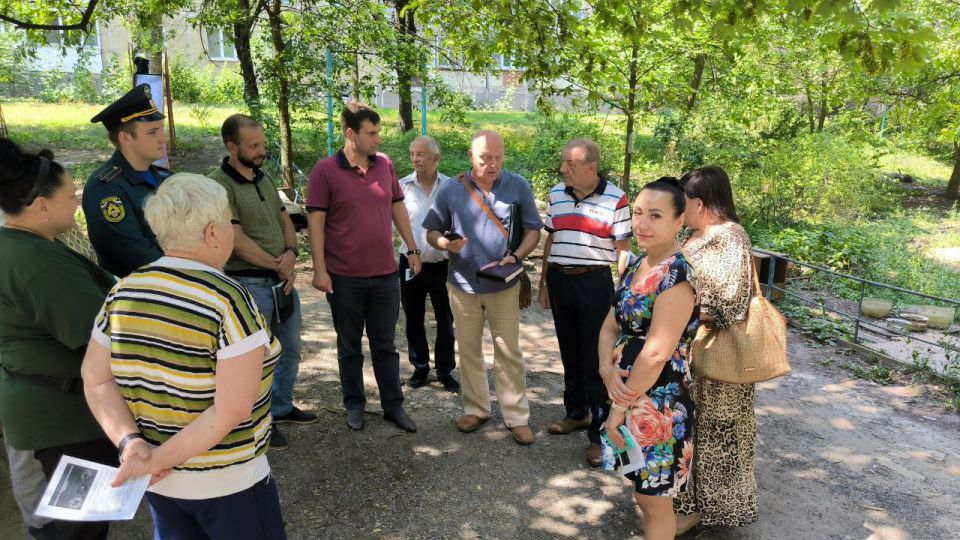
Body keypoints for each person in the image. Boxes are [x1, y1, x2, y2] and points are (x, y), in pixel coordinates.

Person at [81, 173, 286, 539]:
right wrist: (156, 461)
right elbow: (232, 410)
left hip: (161, 484)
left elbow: (95, 379)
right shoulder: (227, 298)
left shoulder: (123, 291)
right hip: (228, 482)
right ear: (212, 233)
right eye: (229, 222)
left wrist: (132, 445)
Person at [0, 139, 118, 540]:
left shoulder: (22, 246)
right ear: (42, 206)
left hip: (49, 412)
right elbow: (100, 338)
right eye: (71, 196)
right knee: (79, 528)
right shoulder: (38, 263)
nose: (77, 203)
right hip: (64, 423)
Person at [422, 130, 543, 446]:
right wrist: (445, 243)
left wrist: (517, 255)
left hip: (504, 285)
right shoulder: (451, 188)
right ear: (470, 157)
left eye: (498, 158)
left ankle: (516, 416)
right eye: (485, 158)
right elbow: (431, 231)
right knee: (469, 350)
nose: (492, 165)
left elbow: (534, 230)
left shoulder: (518, 185)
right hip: (463, 286)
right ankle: (476, 409)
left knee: (508, 351)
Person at [306, 102, 420, 433]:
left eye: (378, 132)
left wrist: (412, 248)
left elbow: (397, 207)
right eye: (371, 133)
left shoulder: (384, 164)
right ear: (350, 134)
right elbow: (316, 222)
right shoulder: (325, 171)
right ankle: (354, 405)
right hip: (344, 277)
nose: (378, 139)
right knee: (349, 346)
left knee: (385, 346)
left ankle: (393, 406)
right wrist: (319, 269)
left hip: (385, 274)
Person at [208, 113, 317, 451]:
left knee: (290, 348)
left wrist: (291, 254)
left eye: (262, 144)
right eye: (253, 146)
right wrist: (277, 264)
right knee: (256, 359)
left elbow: (286, 220)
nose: (261, 151)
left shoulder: (263, 177)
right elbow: (236, 240)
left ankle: (280, 408)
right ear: (231, 146)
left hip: (281, 281)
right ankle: (259, 423)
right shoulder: (219, 185)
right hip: (250, 284)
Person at [598, 177, 699, 540]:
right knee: (643, 494)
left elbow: (656, 353)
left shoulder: (677, 274)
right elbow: (610, 324)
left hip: (658, 404)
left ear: (679, 221)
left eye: (655, 215)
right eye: (638, 212)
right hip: (627, 393)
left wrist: (618, 408)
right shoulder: (637, 263)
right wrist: (605, 368)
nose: (642, 223)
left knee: (654, 501)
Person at [673, 166, 758, 533]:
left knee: (717, 433)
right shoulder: (691, 234)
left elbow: (730, 302)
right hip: (688, 351)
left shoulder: (731, 238)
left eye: (684, 201)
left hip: (718, 355)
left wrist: (679, 309)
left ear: (700, 203)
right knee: (687, 428)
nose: (679, 207)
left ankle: (710, 510)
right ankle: (684, 504)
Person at [538, 138, 632, 466]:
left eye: (571, 164)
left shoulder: (616, 198)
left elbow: (623, 249)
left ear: (592, 167)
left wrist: (623, 292)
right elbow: (552, 238)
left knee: (597, 357)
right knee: (569, 351)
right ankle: (577, 413)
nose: (563, 169)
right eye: (563, 162)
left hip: (595, 282)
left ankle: (600, 434)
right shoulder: (556, 194)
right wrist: (544, 282)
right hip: (560, 280)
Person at [82, 83, 170, 277]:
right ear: (125, 138)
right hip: (141, 288)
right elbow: (136, 255)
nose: (163, 139)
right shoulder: (105, 189)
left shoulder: (165, 177)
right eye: (152, 132)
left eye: (161, 130)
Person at [398, 136, 459, 393]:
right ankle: (420, 367)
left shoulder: (451, 187)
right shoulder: (401, 187)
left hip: (442, 264)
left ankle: (445, 370)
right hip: (409, 262)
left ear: (436, 158)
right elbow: (392, 225)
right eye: (412, 154)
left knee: (446, 318)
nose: (415, 159)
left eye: (421, 154)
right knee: (413, 317)